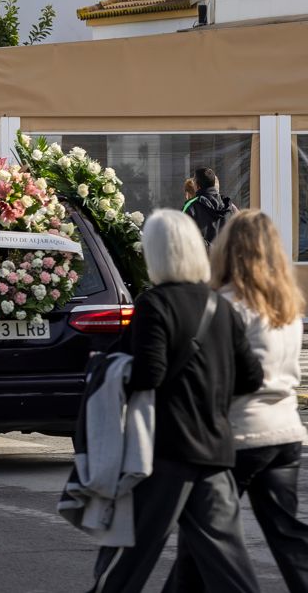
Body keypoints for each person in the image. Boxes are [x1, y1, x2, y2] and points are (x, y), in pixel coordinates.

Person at [90, 209, 264, 593]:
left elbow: (149, 374)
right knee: (228, 560)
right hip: (215, 451)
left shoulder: (155, 305)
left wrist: (110, 370)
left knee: (131, 554)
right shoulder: (221, 306)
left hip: (165, 452)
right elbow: (252, 377)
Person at [166, 210, 308, 592]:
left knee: (205, 537)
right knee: (287, 535)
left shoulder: (223, 305)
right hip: (286, 433)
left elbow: (216, 375)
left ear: (227, 249)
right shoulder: (288, 307)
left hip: (237, 436)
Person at [183, 167, 237, 245]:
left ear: (197, 186)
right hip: (225, 256)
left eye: (194, 181)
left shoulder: (191, 206)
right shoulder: (230, 207)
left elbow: (182, 236)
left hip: (201, 256)